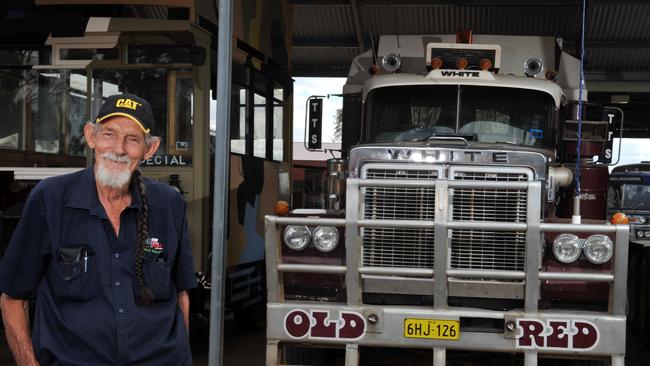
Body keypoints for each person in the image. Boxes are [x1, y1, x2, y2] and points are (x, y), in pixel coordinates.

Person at [0, 93, 196, 365]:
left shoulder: (169, 205)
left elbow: (180, 296)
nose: (118, 148)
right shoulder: (49, 200)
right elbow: (12, 299)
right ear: (91, 137)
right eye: (109, 135)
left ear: (149, 150)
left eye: (133, 139)